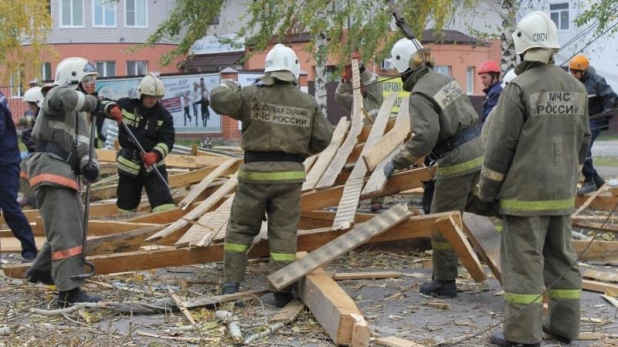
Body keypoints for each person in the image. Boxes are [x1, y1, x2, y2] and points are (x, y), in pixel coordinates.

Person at [478, 11, 590, 347]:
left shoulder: (518, 88)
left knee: (524, 265)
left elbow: (499, 148)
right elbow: (582, 139)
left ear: (522, 46)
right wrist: (570, 176)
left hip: (524, 197)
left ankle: (522, 336)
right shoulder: (575, 87)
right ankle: (564, 328)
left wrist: (487, 191)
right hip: (561, 194)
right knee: (562, 260)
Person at [210, 43, 334, 307]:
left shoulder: (251, 94)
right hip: (289, 176)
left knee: (241, 230)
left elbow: (217, 99)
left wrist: (232, 86)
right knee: (283, 233)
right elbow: (323, 138)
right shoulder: (307, 101)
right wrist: (297, 153)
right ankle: (281, 291)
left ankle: (232, 284)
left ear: (268, 69)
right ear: (293, 70)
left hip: (254, 175)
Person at [383, 38, 485, 298]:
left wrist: (397, 161)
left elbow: (425, 136)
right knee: (470, 200)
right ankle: (509, 214)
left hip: (457, 157)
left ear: (404, 66)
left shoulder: (419, 94)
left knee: (442, 219)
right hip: (477, 148)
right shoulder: (443, 79)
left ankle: (444, 280)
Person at [24, 57, 122, 306]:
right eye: (87, 81)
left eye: (92, 82)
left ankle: (41, 270)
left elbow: (85, 148)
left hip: (63, 171)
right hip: (51, 168)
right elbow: (64, 97)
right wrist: (97, 104)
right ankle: (68, 292)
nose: (91, 86)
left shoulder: (79, 116)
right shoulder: (57, 97)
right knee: (67, 231)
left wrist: (91, 165)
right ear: (73, 79)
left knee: (68, 226)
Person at [111, 73, 176, 214]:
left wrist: (155, 154)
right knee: (125, 207)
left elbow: (168, 140)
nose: (153, 101)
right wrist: (111, 109)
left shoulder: (164, 116)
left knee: (164, 205)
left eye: (156, 98)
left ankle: (164, 229)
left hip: (153, 166)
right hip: (129, 166)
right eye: (150, 97)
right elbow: (104, 105)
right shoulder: (125, 105)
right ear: (141, 94)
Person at [335, 51, 385, 212]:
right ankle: (353, 200)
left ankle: (376, 200)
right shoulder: (353, 102)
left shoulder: (376, 98)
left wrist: (361, 69)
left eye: (362, 84)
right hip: (358, 142)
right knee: (354, 172)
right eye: (358, 84)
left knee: (377, 170)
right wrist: (346, 79)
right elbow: (338, 96)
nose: (361, 87)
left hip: (376, 140)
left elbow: (373, 85)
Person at [569, 54, 618, 195]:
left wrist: (606, 115)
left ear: (583, 71)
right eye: (571, 71)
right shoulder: (574, 84)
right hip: (583, 120)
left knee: (583, 146)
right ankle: (597, 179)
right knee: (579, 146)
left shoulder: (597, 81)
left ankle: (590, 180)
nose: (572, 74)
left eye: (575, 72)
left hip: (597, 119)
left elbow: (612, 99)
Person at [0, 90, 38, 263]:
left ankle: (30, 251)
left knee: (9, 207)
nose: (29, 107)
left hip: (6, 162)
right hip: (11, 157)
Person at [17, 86, 45, 208]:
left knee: (25, 168)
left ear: (38, 103)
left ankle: (30, 198)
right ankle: (30, 197)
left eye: (31, 106)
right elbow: (29, 120)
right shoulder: (37, 115)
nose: (29, 108)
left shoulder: (44, 117)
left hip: (42, 153)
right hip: (33, 150)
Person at [481, 69, 517, 140]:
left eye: (484, 77)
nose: (482, 81)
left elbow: (490, 120)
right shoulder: (493, 91)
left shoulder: (495, 92)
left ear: (494, 77)